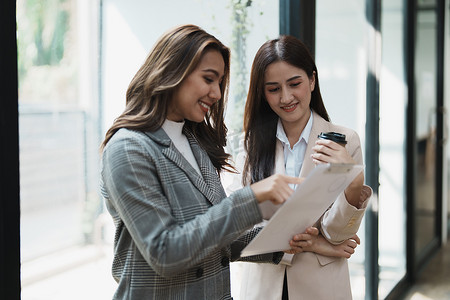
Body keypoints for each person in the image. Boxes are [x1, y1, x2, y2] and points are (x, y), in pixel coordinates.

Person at [99, 24, 319, 300]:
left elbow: (215, 239)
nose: (216, 93)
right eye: (208, 79)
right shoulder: (128, 148)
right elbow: (165, 253)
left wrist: (282, 241)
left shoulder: (194, 143)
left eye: (219, 82)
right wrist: (250, 199)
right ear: (172, 71)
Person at [235, 35, 373, 300]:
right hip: (263, 285)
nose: (286, 97)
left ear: (312, 80)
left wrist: (355, 181)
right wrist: (317, 245)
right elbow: (240, 227)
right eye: (273, 89)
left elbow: (338, 233)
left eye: (294, 84)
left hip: (321, 286)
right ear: (263, 94)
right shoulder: (250, 144)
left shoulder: (346, 141)